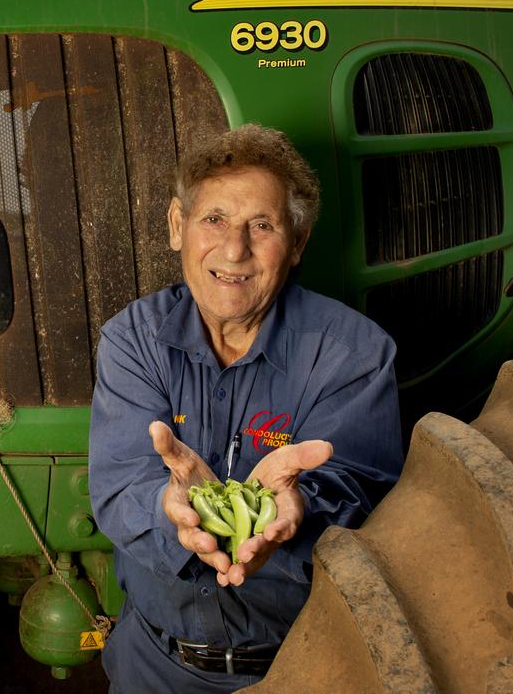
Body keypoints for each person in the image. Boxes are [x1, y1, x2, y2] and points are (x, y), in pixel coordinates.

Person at [89, 123, 404, 692]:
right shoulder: (133, 340)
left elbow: (363, 491)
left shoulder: (354, 352)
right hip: (152, 665)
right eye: (214, 219)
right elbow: (120, 487)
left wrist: (300, 505)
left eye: (262, 225)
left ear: (298, 244)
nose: (234, 249)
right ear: (176, 227)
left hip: (307, 667)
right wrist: (173, 510)